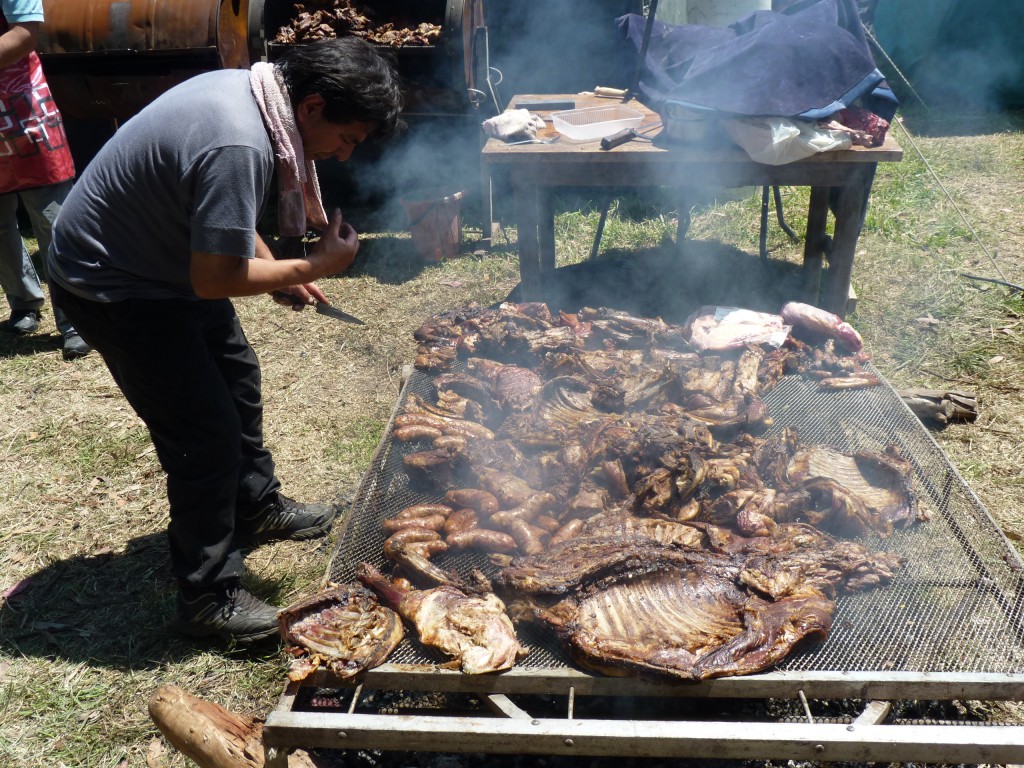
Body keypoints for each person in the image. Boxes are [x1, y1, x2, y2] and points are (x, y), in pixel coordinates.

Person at [47, 37, 403, 644]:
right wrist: (310, 267)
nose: (343, 155)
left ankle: (254, 504)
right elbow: (214, 277)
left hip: (164, 263)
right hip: (116, 284)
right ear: (312, 107)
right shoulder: (240, 138)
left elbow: (223, 224)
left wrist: (276, 269)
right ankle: (207, 597)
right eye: (347, 138)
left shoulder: (259, 95)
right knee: (203, 435)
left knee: (236, 377)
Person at [0, 0, 90, 359]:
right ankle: (23, 302)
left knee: (54, 219)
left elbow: (25, 34)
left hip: (23, 110)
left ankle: (77, 320)